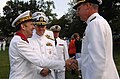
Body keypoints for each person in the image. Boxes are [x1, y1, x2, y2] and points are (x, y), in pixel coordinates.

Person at [9, 10, 77, 79]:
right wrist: (64, 63)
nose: (33, 27)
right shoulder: (19, 42)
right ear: (23, 26)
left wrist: (50, 68)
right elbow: (39, 61)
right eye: (31, 24)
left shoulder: (20, 40)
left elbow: (52, 55)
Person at [73, 0, 120, 79]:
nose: (77, 13)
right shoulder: (97, 22)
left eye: (79, 9)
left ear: (88, 5)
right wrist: (77, 62)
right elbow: (90, 55)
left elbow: (97, 60)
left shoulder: (95, 24)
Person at [29, 12, 57, 79]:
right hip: (35, 75)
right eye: (39, 26)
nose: (41, 29)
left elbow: (55, 56)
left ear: (46, 26)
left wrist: (49, 69)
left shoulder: (50, 37)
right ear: (34, 26)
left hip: (49, 75)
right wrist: (40, 70)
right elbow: (28, 59)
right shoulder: (29, 39)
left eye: (43, 26)